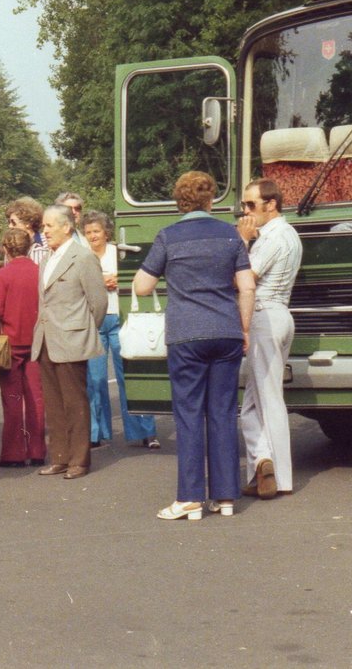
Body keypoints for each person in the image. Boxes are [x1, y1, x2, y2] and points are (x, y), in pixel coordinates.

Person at [133, 171, 255, 521]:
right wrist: (243, 327)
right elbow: (246, 288)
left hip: (186, 335)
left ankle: (189, 498)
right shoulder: (231, 237)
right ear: (211, 200)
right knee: (222, 413)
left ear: (179, 201)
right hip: (226, 331)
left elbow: (142, 286)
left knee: (189, 415)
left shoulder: (169, 236)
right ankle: (225, 496)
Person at [235, 177, 303, 498]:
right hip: (280, 314)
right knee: (252, 402)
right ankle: (261, 464)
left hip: (264, 315)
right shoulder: (289, 234)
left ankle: (280, 474)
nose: (245, 212)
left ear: (271, 204)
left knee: (268, 398)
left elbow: (245, 277)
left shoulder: (272, 237)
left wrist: (242, 241)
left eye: (251, 205)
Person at [31, 203, 107, 480]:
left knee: (75, 402)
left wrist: (82, 332)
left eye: (49, 225)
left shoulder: (83, 257)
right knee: (54, 403)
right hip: (46, 341)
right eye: (43, 225)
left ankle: (79, 460)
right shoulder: (45, 261)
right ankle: (60, 458)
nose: (45, 230)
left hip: (71, 339)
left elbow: (98, 302)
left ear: (67, 227)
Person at [82, 210, 159, 450]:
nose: (93, 236)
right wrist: (99, 281)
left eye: (96, 231)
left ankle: (146, 431)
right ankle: (96, 433)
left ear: (106, 232)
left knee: (130, 375)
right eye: (88, 232)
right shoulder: (83, 257)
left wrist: (118, 279)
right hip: (94, 321)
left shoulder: (119, 252)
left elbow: (138, 279)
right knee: (94, 379)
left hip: (120, 319)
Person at [0, 227, 46, 467]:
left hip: (8, 343)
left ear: (7, 250)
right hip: (35, 340)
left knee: (12, 399)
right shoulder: (39, 272)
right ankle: (37, 450)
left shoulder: (3, 275)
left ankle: (13, 453)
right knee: (36, 397)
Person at [6, 196, 49, 267]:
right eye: (9, 222)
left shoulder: (45, 245)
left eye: (13, 222)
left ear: (28, 223)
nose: (10, 226)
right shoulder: (11, 246)